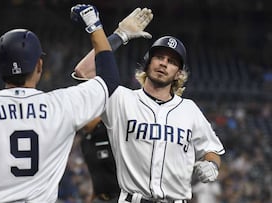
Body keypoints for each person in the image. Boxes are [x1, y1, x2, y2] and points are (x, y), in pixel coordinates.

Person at [0, 4, 121, 203]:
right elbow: (109, 79)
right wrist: (95, 25)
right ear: (39, 65)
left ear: (0, 68)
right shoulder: (62, 106)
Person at [74, 23, 225, 203]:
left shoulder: (189, 109)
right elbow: (84, 72)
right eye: (159, 57)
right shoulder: (122, 99)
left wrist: (212, 164)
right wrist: (120, 36)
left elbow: (212, 149)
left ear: (178, 74)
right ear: (147, 63)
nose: (164, 63)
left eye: (172, 62)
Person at [80, 117, 120, 203]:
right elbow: (95, 171)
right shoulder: (84, 141)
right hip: (100, 198)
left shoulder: (111, 132)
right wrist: (93, 194)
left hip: (120, 196)